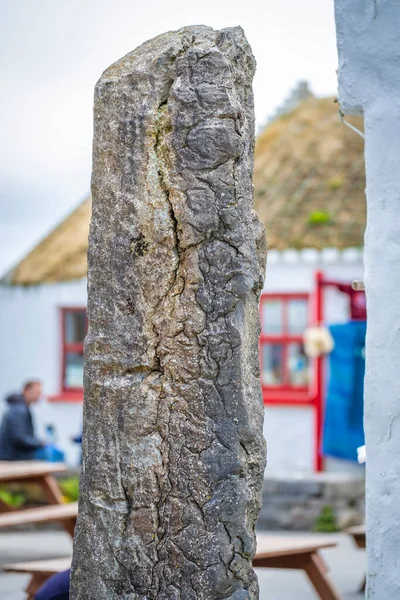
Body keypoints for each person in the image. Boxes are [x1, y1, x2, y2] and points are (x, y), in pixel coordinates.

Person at [0, 381, 44, 461]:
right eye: (37, 392)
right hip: (12, 458)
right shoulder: (19, 410)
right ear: (26, 390)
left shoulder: (20, 407)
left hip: (14, 456)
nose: (39, 395)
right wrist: (39, 443)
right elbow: (19, 438)